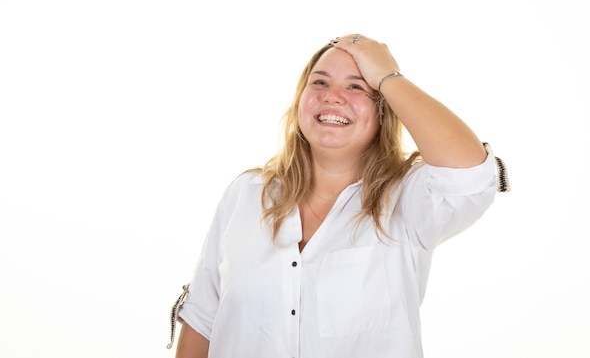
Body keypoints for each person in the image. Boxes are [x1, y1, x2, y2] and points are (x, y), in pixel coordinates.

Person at [168, 33, 508, 358]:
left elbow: (471, 174)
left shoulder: (406, 199)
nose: (332, 96)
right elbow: (203, 322)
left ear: (383, 110)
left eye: (357, 86)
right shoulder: (245, 195)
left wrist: (388, 75)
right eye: (319, 82)